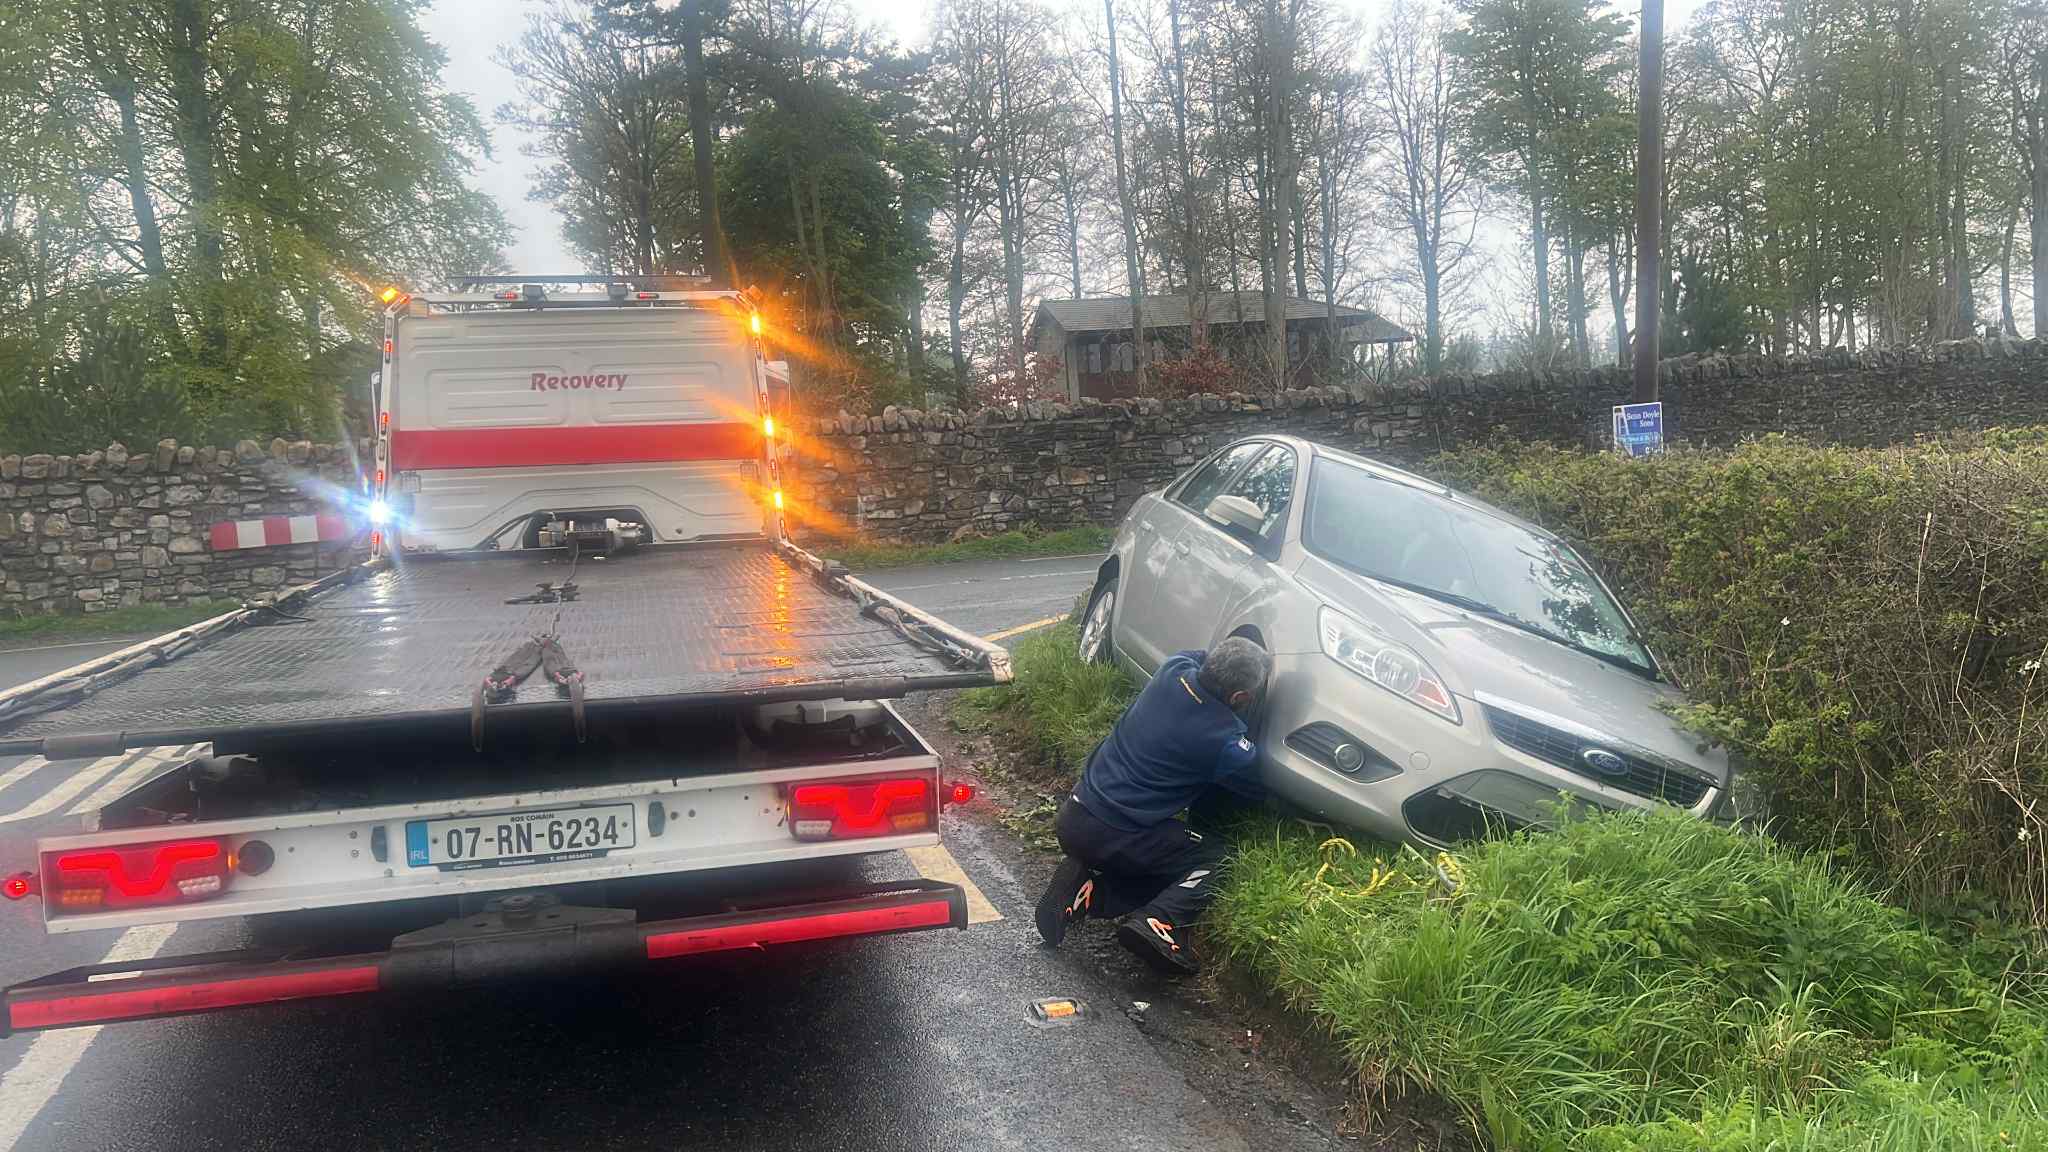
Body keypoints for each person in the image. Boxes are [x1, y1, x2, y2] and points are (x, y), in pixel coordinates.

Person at [1034, 637, 1271, 974]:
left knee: (1166, 863)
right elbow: (1254, 779)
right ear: (1240, 698)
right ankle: (1159, 923)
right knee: (1218, 859)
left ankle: (1087, 893)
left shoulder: (1173, 668)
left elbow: (1201, 655)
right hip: (1116, 834)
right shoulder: (1227, 742)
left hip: (1075, 813)